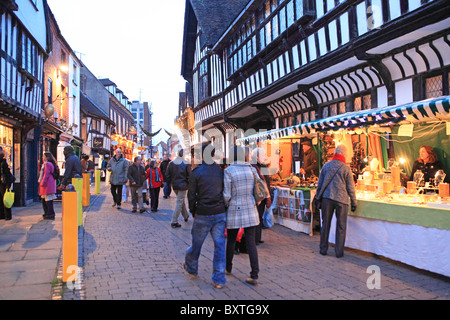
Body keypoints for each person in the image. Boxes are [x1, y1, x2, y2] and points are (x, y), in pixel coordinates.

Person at [185, 142, 226, 289]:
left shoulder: (196, 172)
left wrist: (193, 210)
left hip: (203, 212)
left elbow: (191, 195)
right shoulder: (220, 172)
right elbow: (224, 192)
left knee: (197, 244)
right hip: (219, 213)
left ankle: (192, 268)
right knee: (220, 246)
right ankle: (219, 279)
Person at [224, 146, 260, 286]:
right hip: (250, 207)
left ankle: (228, 267)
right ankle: (254, 274)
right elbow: (258, 188)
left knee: (232, 239)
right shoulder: (252, 169)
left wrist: (226, 203)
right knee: (251, 242)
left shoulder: (229, 171)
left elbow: (226, 195)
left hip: (234, 208)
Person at [316, 145, 357, 258]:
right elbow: (350, 188)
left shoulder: (326, 166)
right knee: (341, 226)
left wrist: (318, 197)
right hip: (341, 200)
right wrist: (354, 202)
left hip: (327, 198)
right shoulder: (346, 168)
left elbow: (320, 184)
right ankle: (339, 252)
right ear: (344, 154)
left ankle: (323, 249)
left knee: (326, 224)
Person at [251, 148, 272, 245]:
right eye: (262, 155)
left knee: (260, 216)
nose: (264, 157)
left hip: (263, 196)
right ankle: (255, 238)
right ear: (256, 156)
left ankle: (258, 237)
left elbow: (267, 181)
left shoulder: (262, 166)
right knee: (257, 216)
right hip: (258, 196)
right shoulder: (252, 166)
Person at [166, 149, 190, 228]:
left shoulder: (171, 163)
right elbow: (189, 176)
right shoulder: (186, 163)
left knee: (181, 200)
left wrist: (171, 182)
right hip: (183, 185)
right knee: (179, 202)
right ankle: (174, 221)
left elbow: (167, 175)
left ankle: (186, 216)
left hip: (175, 185)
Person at [39, 152, 57, 220]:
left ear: (47, 157)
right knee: (46, 199)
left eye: (44, 156)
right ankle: (48, 213)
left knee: (48, 200)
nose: (42, 158)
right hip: (49, 182)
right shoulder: (49, 163)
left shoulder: (47, 164)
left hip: (47, 183)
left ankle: (50, 214)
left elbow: (46, 174)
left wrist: (42, 183)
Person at [0, 151, 14, 220]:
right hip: (1, 183)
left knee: (5, 199)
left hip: (3, 183)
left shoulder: (3, 163)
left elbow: (7, 174)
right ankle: (2, 215)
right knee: (1, 199)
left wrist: (8, 185)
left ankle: (8, 215)